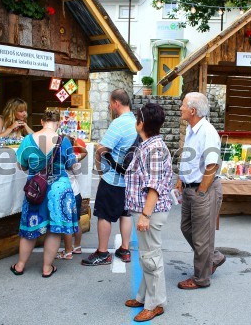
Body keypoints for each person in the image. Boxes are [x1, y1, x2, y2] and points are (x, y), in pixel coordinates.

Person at [11, 109, 78, 277]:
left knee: (29, 226)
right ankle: (47, 268)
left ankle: (20, 265)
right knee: (54, 229)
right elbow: (71, 163)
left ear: (42, 121)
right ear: (59, 123)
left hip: (36, 188)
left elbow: (22, 165)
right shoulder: (64, 141)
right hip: (59, 188)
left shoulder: (27, 140)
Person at [124, 103, 173, 322]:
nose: (136, 120)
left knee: (151, 257)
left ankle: (156, 304)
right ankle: (144, 297)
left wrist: (145, 214)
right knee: (146, 255)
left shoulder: (154, 148)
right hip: (145, 210)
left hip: (149, 212)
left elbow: (154, 185)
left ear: (142, 122)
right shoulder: (148, 145)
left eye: (137, 117)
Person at [175, 92, 226, 290]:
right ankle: (213, 257)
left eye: (183, 105)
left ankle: (201, 278)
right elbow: (190, 158)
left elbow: (211, 166)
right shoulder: (191, 128)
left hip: (203, 189)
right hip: (191, 188)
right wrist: (181, 179)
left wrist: (202, 192)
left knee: (201, 237)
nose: (181, 108)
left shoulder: (207, 131)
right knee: (187, 228)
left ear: (193, 110)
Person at [81, 89, 137, 266]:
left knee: (104, 214)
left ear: (116, 103)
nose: (109, 106)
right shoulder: (136, 122)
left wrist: (100, 173)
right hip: (130, 178)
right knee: (125, 213)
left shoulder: (118, 124)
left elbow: (101, 149)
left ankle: (103, 252)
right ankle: (125, 249)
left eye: (110, 103)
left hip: (113, 178)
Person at [56, 137, 88, 260]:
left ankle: (68, 251)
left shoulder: (58, 159)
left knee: (67, 223)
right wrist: (76, 144)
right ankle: (77, 246)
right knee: (77, 221)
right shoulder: (73, 158)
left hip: (65, 194)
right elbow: (85, 152)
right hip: (76, 192)